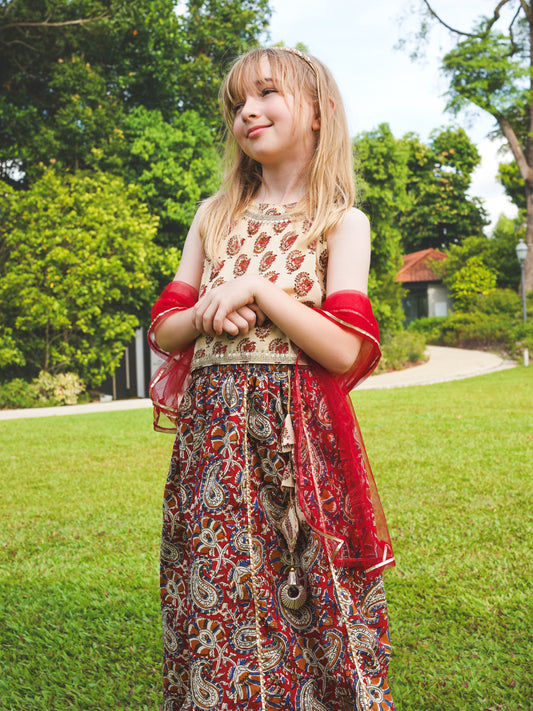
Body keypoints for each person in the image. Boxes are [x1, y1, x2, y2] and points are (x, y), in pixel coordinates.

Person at [148, 46, 395, 711]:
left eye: (264, 94)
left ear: (317, 112)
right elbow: (164, 328)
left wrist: (257, 288)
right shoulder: (214, 214)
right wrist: (209, 309)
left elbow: (343, 348)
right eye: (235, 104)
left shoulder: (342, 222)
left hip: (296, 441)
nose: (247, 112)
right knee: (216, 577)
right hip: (213, 437)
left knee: (306, 580)